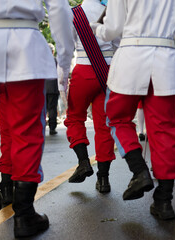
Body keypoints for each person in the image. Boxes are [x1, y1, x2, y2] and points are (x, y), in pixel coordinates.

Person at [92, 0, 175, 219]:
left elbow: (112, 29)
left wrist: (96, 28)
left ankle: (139, 170)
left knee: (116, 119)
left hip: (130, 58)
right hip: (166, 61)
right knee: (166, 132)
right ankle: (164, 200)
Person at [0, 0, 73, 237]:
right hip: (25, 45)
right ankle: (24, 214)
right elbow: (59, 9)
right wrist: (64, 60)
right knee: (26, 131)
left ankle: (6, 189)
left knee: (8, 127)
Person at [64, 0, 116, 194]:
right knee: (104, 125)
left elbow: (67, 47)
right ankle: (103, 179)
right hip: (109, 70)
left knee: (75, 117)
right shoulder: (111, 10)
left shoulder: (74, 13)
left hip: (83, 69)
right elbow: (119, 43)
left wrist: (62, 78)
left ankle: (83, 162)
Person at [46, 44, 60, 135]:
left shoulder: (41, 61)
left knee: (42, 109)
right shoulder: (56, 61)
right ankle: (52, 128)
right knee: (52, 108)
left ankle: (40, 127)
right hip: (53, 88)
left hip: (42, 88)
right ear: (53, 51)